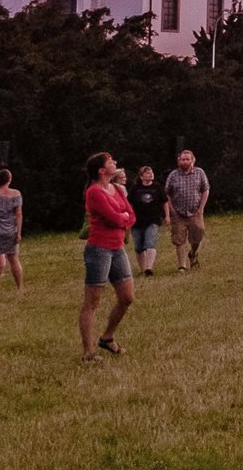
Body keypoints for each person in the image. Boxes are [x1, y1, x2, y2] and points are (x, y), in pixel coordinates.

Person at [81, 152, 136, 359]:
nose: (115, 163)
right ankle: (88, 352)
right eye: (110, 162)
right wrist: (122, 217)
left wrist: (123, 218)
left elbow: (131, 215)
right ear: (102, 170)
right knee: (92, 301)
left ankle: (107, 337)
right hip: (99, 250)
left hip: (118, 248)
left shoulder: (118, 189)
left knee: (127, 297)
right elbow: (114, 218)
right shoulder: (94, 192)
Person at [165, 148, 210, 271]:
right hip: (178, 213)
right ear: (179, 161)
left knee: (198, 234)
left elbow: (205, 189)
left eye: (187, 159)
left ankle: (193, 253)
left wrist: (201, 208)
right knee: (179, 240)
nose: (184, 162)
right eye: (182, 159)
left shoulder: (199, 173)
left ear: (192, 160)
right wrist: (171, 209)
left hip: (195, 212)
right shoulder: (173, 175)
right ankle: (182, 266)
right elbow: (167, 193)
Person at [128, 164, 167, 276]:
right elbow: (129, 203)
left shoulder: (158, 188)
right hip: (137, 221)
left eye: (152, 172)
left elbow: (165, 202)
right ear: (141, 176)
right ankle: (142, 269)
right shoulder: (135, 189)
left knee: (150, 242)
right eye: (148, 173)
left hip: (153, 220)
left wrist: (167, 216)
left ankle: (149, 268)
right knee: (139, 247)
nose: (151, 174)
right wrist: (128, 216)